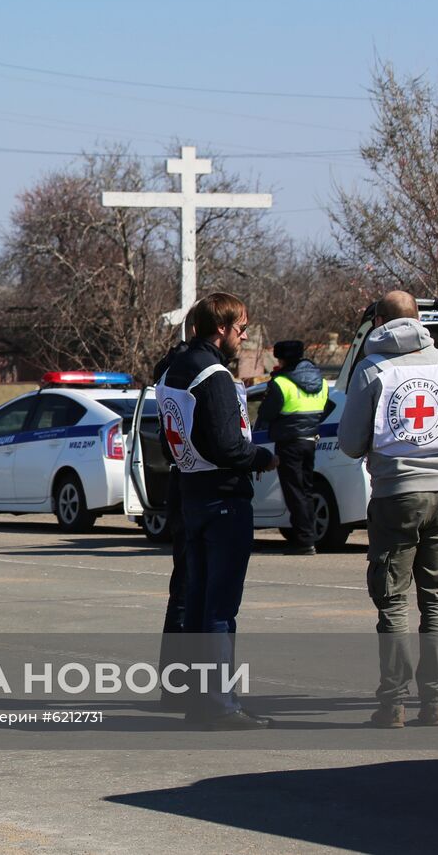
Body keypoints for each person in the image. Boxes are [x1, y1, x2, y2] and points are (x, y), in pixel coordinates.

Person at [339, 290, 438, 728]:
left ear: (380, 323)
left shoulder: (372, 369)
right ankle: (435, 701)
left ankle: (392, 703)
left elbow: (351, 443)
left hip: (396, 494)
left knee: (393, 602)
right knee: (437, 600)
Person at [156, 292, 277, 730]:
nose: (244, 337)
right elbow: (226, 444)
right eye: (240, 328)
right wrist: (260, 458)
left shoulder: (172, 369)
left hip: (189, 493)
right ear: (221, 328)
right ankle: (218, 705)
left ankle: (194, 696)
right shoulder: (213, 375)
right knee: (220, 608)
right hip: (221, 498)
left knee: (198, 599)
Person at [255, 340, 331, 555]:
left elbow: (266, 414)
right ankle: (308, 537)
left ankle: (304, 541)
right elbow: (326, 407)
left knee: (294, 491)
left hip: (289, 442)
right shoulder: (321, 381)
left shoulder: (281, 383)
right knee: (305, 489)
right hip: (310, 440)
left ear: (282, 359)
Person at [153, 332, 190, 712]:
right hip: (194, 488)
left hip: (180, 483)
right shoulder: (190, 379)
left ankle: (175, 685)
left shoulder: (166, 381)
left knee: (182, 590)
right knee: (190, 590)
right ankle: (184, 685)